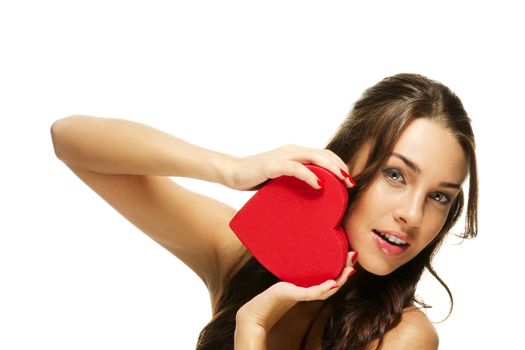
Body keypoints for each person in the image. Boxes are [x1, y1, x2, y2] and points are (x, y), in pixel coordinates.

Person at [50, 73, 478, 350]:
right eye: (395, 174)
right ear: (344, 164)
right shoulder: (242, 257)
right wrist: (230, 170)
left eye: (440, 196)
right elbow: (69, 139)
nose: (414, 215)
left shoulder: (404, 339)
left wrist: (252, 328)